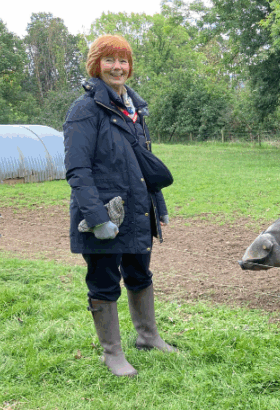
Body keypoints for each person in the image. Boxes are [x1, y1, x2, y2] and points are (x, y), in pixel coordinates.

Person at [63, 34, 176, 378]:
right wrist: (96, 218)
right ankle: (112, 353)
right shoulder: (85, 110)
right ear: (96, 65)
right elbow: (77, 170)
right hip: (106, 213)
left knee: (140, 273)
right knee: (105, 281)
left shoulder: (134, 110)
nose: (117, 67)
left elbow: (145, 165)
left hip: (138, 210)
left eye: (123, 60)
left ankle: (148, 336)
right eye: (109, 60)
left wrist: (158, 204)